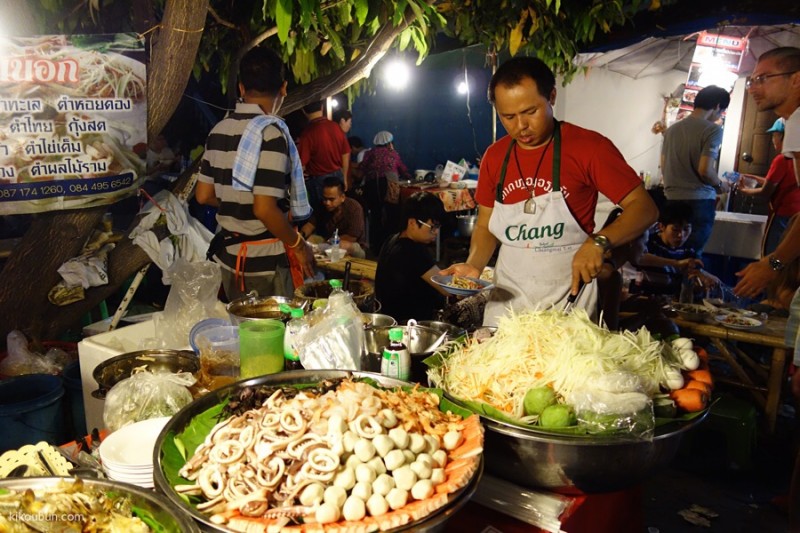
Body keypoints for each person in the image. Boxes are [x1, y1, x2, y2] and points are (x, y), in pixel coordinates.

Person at [441, 56, 658, 326]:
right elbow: (486, 224)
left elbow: (645, 208)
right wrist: (474, 265)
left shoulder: (588, 147)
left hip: (567, 307)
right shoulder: (495, 157)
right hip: (507, 307)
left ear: (552, 96)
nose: (520, 126)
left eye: (530, 112)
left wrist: (599, 242)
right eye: (508, 116)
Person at [195, 46, 314, 301]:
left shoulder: (218, 130)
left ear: (241, 88)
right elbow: (264, 209)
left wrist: (237, 202)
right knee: (273, 336)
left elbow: (203, 195)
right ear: (283, 87)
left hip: (228, 260)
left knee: (241, 335)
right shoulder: (271, 134)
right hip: (264, 263)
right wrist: (299, 244)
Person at [660, 85, 731, 256]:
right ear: (717, 106)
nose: (720, 115)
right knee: (692, 257)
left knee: (670, 254)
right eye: (721, 111)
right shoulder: (713, 130)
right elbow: (705, 170)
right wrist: (721, 185)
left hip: (671, 199)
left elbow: (664, 166)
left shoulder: (671, 130)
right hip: (698, 201)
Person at [375, 192, 448, 322]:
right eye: (432, 227)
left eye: (438, 227)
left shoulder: (392, 239)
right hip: (411, 324)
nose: (436, 232)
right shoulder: (414, 251)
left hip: (389, 317)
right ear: (412, 223)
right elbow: (447, 288)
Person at [736, 118, 800, 256]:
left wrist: (745, 191)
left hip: (782, 215)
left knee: (772, 253)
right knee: (789, 252)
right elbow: (784, 183)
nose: (773, 139)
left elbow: (766, 192)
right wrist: (759, 179)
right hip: (796, 214)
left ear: (785, 135)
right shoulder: (797, 158)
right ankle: (784, 276)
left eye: (775, 134)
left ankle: (774, 273)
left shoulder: (782, 159)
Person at [632, 202, 720, 299]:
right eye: (675, 230)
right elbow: (638, 258)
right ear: (661, 226)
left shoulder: (688, 251)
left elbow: (691, 278)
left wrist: (700, 282)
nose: (680, 235)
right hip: (643, 299)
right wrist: (676, 263)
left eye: (686, 229)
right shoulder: (649, 243)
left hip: (671, 303)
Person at [359, 130, 411, 249]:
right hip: (389, 186)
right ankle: (391, 245)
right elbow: (403, 169)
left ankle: (376, 246)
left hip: (372, 186)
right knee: (391, 215)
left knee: (376, 215)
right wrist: (409, 177)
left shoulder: (369, 153)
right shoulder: (392, 154)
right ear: (389, 143)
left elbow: (362, 168)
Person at [298, 100, 351, 204]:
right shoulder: (335, 127)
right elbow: (346, 153)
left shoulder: (307, 134)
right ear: (322, 107)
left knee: (322, 214)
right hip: (337, 176)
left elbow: (301, 164)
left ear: (303, 111)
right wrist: (344, 177)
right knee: (339, 210)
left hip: (319, 181)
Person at [300, 176, 367, 258]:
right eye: (325, 198)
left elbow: (351, 237)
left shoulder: (354, 208)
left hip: (353, 247)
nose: (327, 203)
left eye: (331, 199)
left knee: (343, 245)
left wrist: (327, 243)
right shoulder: (322, 205)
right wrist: (301, 235)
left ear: (342, 197)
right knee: (310, 240)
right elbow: (311, 224)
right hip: (328, 244)